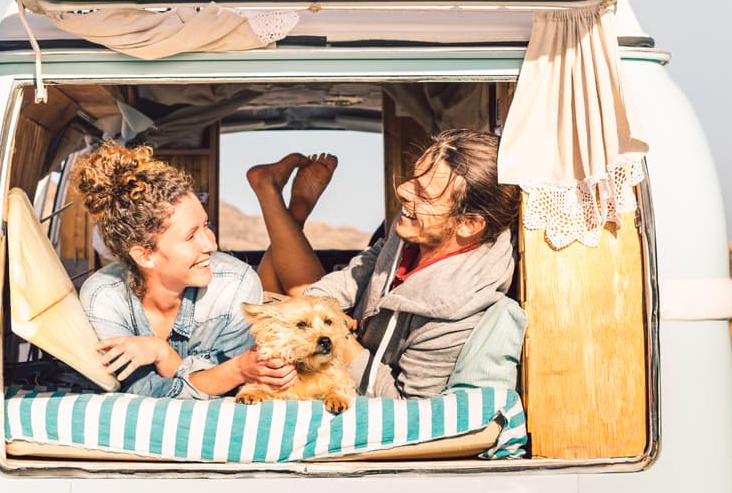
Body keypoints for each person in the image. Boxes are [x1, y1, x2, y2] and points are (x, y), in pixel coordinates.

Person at [247, 129, 522, 399]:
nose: (403, 190)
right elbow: (370, 263)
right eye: (413, 178)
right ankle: (283, 202)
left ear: (468, 224)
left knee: (275, 313)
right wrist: (321, 303)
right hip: (354, 335)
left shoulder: (456, 312)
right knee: (291, 308)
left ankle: (275, 196)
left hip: (353, 376)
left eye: (424, 193)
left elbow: (403, 403)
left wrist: (337, 335)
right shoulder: (418, 226)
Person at [74, 142, 295, 399]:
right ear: (144, 255)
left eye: (206, 225)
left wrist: (163, 354)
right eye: (191, 236)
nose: (211, 244)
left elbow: (234, 393)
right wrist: (235, 370)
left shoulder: (236, 285)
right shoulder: (104, 297)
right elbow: (137, 391)